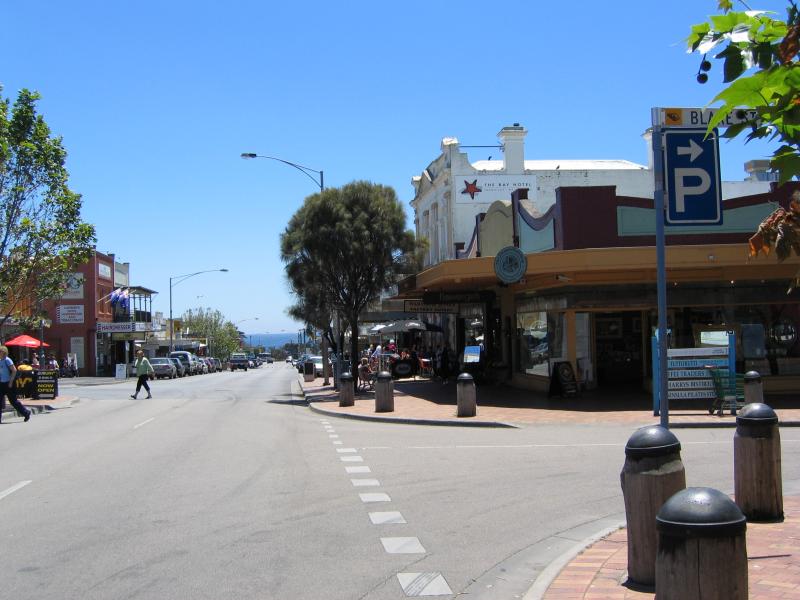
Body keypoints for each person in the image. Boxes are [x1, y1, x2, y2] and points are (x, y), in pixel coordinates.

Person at [0, 346, 31, 423]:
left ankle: (26, 412)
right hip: (1, 383)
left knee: (13, 401)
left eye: (0, 351)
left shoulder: (7, 360)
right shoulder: (0, 360)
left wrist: (10, 382)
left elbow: (14, 371)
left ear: (4, 352)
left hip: (9, 384)